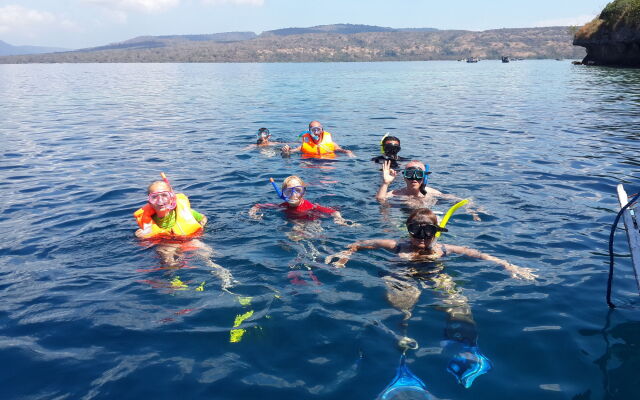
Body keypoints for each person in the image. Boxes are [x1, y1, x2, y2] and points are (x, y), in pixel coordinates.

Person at [325, 208, 536, 387]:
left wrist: (509, 265)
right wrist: (345, 255)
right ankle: (400, 349)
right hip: (402, 276)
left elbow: (479, 254)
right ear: (408, 231)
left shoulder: (443, 249)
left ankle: (466, 348)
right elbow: (359, 243)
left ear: (436, 232)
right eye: (416, 232)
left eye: (428, 233)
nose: (422, 239)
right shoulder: (397, 246)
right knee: (404, 305)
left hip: (435, 274)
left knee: (459, 303)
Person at [134, 174, 235, 290]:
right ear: (149, 201)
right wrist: (140, 236)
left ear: (171, 197)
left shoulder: (183, 210)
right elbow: (145, 239)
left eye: (164, 195)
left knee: (205, 251)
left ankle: (221, 273)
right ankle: (173, 280)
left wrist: (201, 226)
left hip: (189, 239)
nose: (160, 201)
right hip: (166, 243)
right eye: (154, 197)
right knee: (167, 254)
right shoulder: (148, 219)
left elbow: (203, 217)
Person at [376, 159, 481, 221]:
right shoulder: (396, 194)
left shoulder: (432, 193)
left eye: (418, 174)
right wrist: (385, 183)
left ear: (424, 177)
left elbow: (461, 200)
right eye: (410, 174)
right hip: (404, 220)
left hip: (428, 221)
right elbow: (380, 200)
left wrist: (473, 211)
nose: (414, 178)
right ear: (404, 177)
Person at [249, 175, 357, 226]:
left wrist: (339, 219)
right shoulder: (283, 205)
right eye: (288, 192)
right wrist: (253, 213)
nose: (293, 195)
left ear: (303, 193)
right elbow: (258, 205)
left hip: (312, 222)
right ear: (283, 194)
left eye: (297, 190)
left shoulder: (310, 206)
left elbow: (334, 212)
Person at [281, 121, 355, 158]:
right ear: (309, 132)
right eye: (313, 130)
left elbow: (341, 150)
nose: (316, 132)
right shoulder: (303, 146)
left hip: (327, 166)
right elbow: (290, 152)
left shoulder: (332, 144)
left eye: (318, 130)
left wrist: (348, 152)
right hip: (310, 165)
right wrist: (286, 151)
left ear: (322, 130)